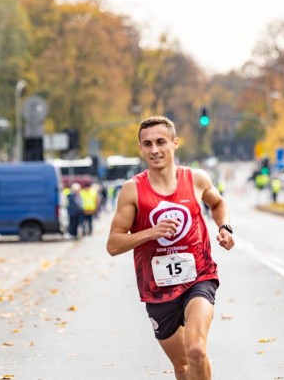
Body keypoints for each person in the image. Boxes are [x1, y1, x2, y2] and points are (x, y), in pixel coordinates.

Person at [107, 116, 235, 379]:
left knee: (197, 349)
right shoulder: (133, 190)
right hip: (157, 289)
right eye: (147, 144)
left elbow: (218, 204)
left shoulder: (196, 179)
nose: (154, 149)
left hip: (199, 277)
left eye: (161, 142)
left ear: (175, 144)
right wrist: (150, 232)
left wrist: (224, 228)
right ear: (140, 148)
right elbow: (113, 244)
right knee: (184, 366)